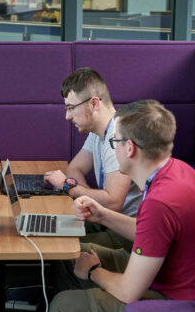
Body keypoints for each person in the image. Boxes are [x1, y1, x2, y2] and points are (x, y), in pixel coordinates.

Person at [47, 100, 195, 312]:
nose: (112, 148)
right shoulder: (176, 172)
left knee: (66, 307)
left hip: (176, 304)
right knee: (70, 257)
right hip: (167, 275)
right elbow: (152, 233)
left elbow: (130, 292)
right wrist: (102, 215)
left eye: (114, 142)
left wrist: (93, 272)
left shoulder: (160, 201)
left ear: (129, 148)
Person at [44, 67, 142, 251]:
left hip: (130, 233)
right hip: (107, 220)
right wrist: (88, 201)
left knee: (60, 248)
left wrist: (68, 187)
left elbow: (113, 202)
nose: (67, 116)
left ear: (94, 104)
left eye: (71, 108)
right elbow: (74, 169)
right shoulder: (99, 132)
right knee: (51, 229)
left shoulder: (117, 139)